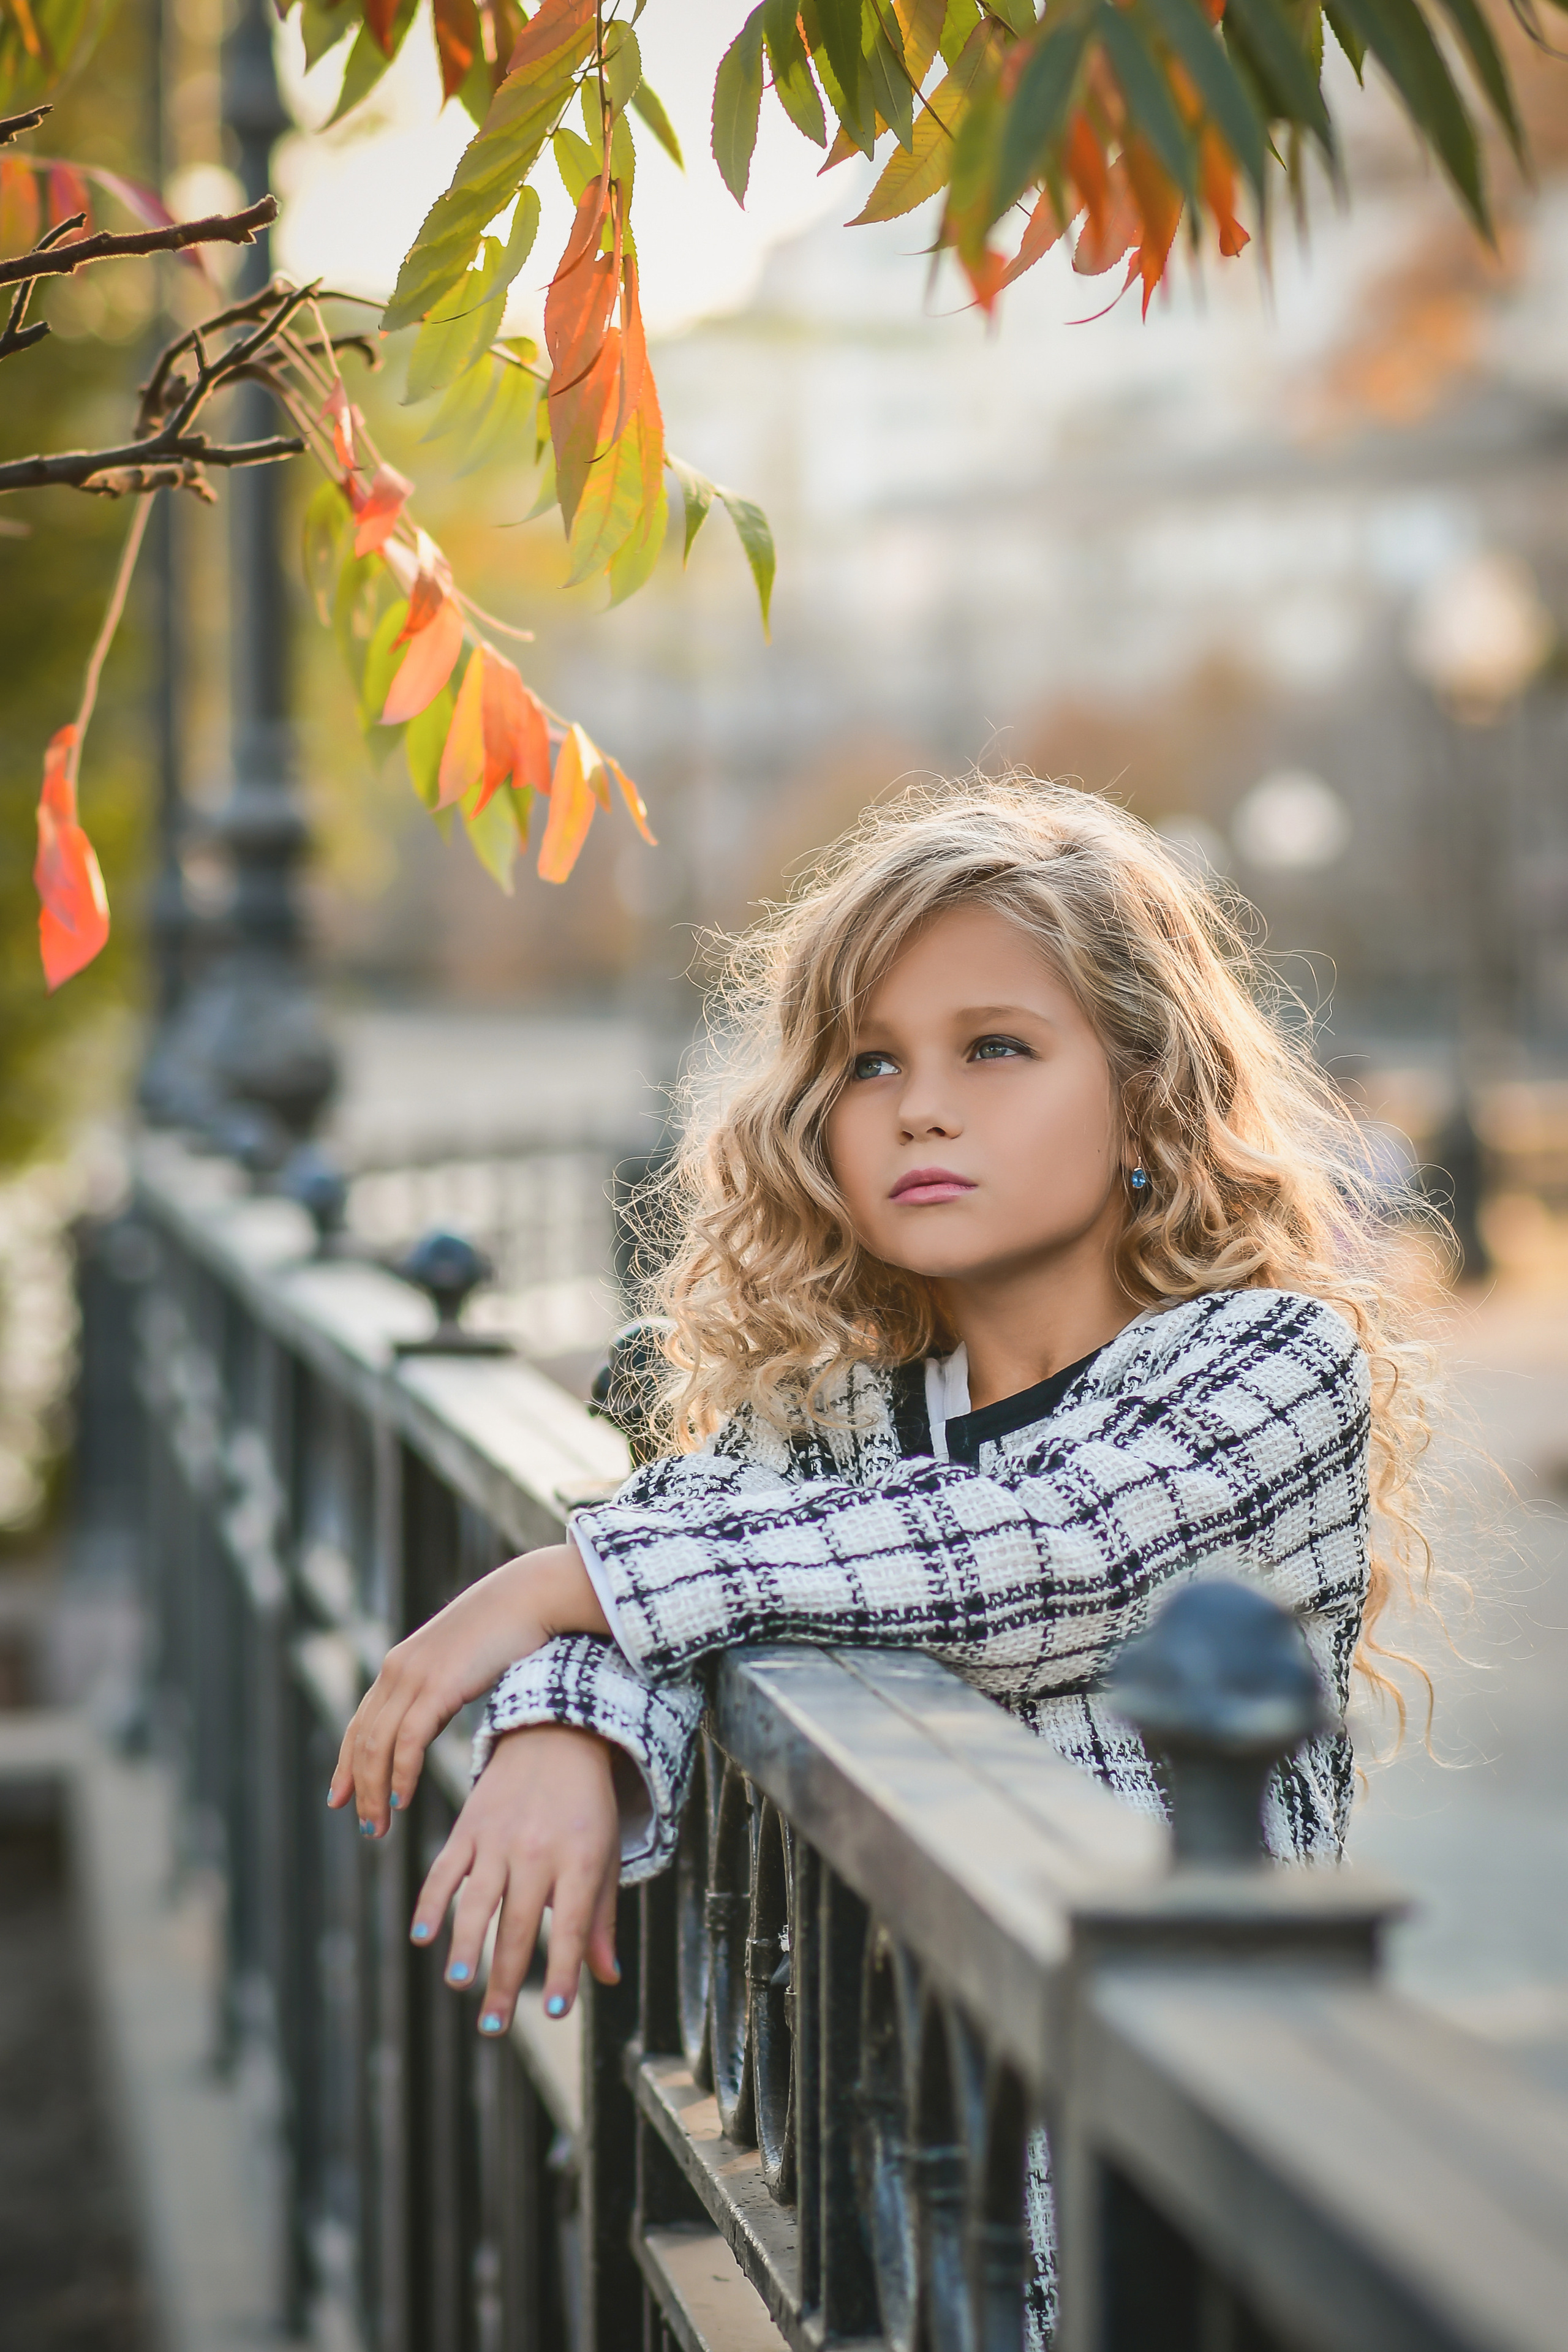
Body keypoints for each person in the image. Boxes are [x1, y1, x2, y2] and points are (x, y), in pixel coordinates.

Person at [328, 779, 1441, 2335]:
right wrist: (570, 1712)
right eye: (868, 1061)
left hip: (1168, 2232)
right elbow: (714, 1544)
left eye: (994, 1046)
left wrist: (557, 1587)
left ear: (1144, 1089)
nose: (918, 1104)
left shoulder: (1269, 1367)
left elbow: (1051, 1550)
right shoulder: (830, 1415)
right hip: (864, 2235)